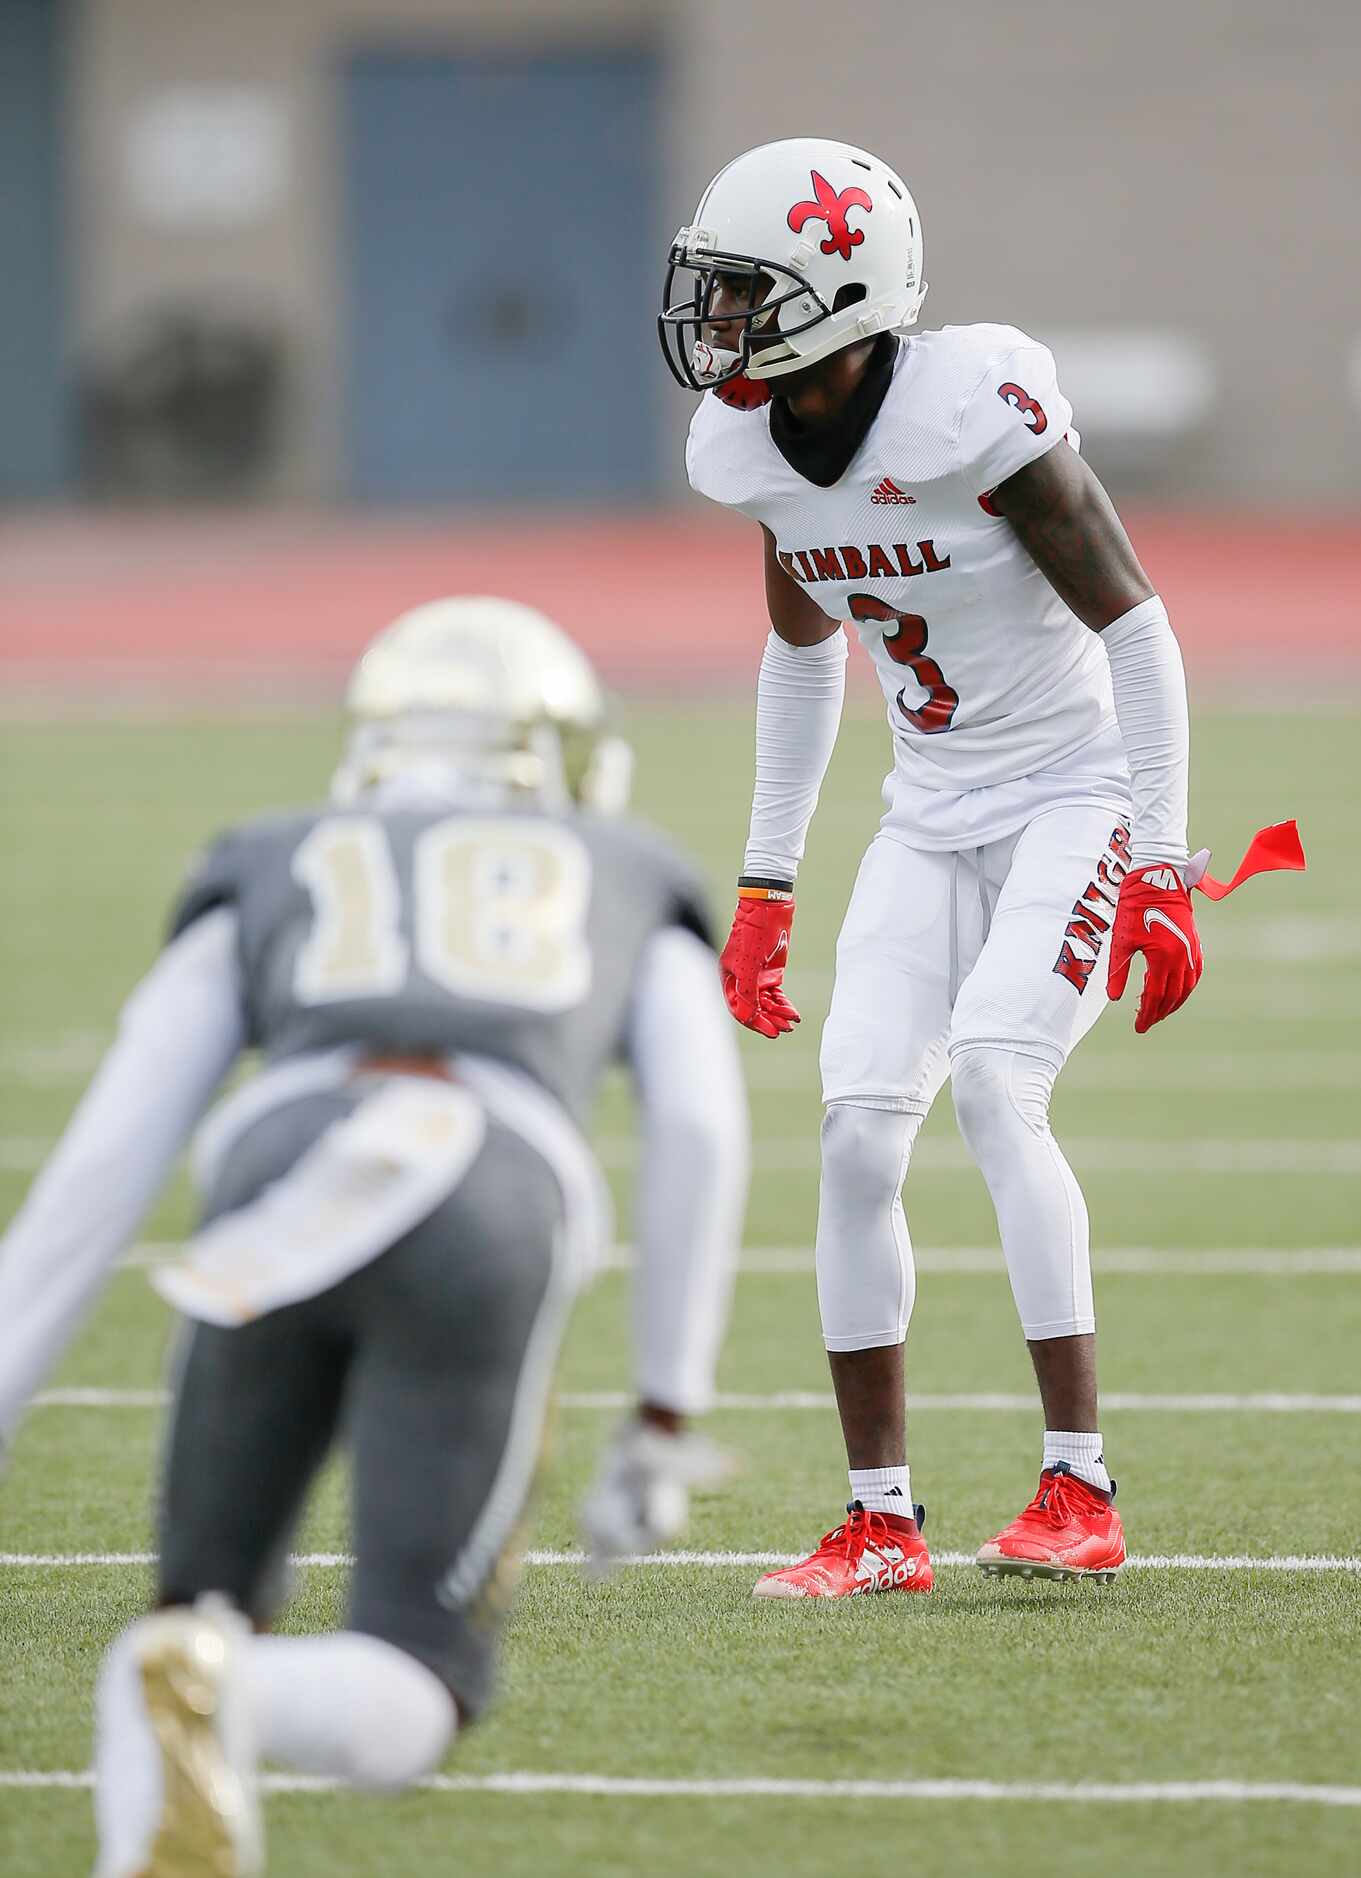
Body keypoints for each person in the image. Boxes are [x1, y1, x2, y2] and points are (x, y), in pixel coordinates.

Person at [0, 596, 748, 1875]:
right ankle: (236, 1700)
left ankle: (184, 1705)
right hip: (485, 1182)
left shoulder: (275, 852)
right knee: (413, 1686)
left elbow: (102, 1164)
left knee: (190, 1621)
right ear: (552, 753)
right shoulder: (619, 863)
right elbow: (695, 1122)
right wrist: (665, 1413)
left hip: (273, 1172)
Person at [661, 136, 1298, 1599]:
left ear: (837, 294)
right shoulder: (754, 445)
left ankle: (1077, 1486)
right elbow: (802, 652)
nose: (723, 324)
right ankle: (880, 1522)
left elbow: (1137, 627)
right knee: (856, 1131)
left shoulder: (974, 412)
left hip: (1071, 792)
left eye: (749, 293)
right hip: (931, 806)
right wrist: (765, 884)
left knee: (1003, 1085)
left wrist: (1152, 855)